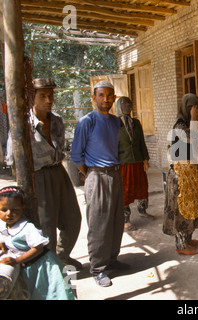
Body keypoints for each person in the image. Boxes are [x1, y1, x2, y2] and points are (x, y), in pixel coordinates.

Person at [5, 78, 82, 270]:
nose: (49, 100)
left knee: (73, 219)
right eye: (42, 96)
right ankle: (52, 266)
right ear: (31, 97)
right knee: (46, 227)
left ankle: (62, 256)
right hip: (37, 177)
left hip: (59, 172)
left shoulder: (56, 121)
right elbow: (12, 159)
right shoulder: (22, 124)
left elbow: (60, 149)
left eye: (51, 95)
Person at [70, 80, 128, 287]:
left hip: (115, 174)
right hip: (97, 176)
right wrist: (92, 174)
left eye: (110, 95)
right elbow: (76, 155)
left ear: (114, 98)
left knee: (116, 220)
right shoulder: (87, 121)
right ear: (93, 98)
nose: (106, 99)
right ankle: (98, 269)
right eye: (101, 95)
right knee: (98, 223)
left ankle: (112, 259)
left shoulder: (115, 121)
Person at [0, 186, 77, 300]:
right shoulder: (6, 226)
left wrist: (16, 261)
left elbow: (38, 248)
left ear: (23, 208)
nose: (9, 214)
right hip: (30, 267)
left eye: (15, 210)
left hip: (44, 266)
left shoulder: (27, 228)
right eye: (4, 210)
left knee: (55, 292)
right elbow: (7, 238)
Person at [163, 93, 198, 255]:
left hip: (188, 173)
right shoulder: (180, 126)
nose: (196, 110)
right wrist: (194, 119)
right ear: (187, 108)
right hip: (180, 175)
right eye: (193, 107)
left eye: (197, 107)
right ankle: (181, 245)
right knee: (181, 210)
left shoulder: (187, 124)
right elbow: (190, 143)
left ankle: (188, 238)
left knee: (192, 207)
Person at [116, 97, 152, 231]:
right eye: (124, 104)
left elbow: (142, 142)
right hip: (124, 162)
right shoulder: (114, 124)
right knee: (126, 190)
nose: (128, 106)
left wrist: (146, 159)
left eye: (130, 104)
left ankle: (143, 210)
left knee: (142, 187)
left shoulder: (136, 123)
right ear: (119, 106)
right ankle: (125, 219)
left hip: (137, 161)